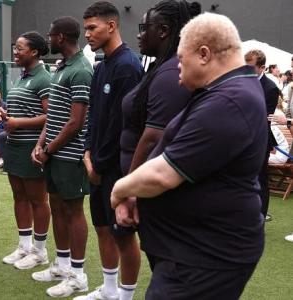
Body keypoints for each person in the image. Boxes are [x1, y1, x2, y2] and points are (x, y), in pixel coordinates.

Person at [111, 13, 266, 299]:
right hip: (192, 251)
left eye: (182, 59)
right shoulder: (225, 91)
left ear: (204, 54)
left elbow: (163, 174)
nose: (178, 70)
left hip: (204, 256)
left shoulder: (229, 100)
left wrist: (120, 189)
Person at [74, 2, 144, 300]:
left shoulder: (128, 66)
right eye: (86, 28)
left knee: (124, 235)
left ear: (112, 26)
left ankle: (125, 296)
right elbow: (94, 118)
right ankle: (109, 290)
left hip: (117, 168)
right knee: (103, 227)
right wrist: (88, 153)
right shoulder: (101, 66)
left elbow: (123, 128)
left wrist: (99, 165)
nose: (87, 34)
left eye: (92, 28)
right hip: (97, 165)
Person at [30, 16, 93, 298]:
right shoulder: (62, 67)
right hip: (54, 153)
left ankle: (78, 276)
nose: (48, 39)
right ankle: (62, 265)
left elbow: (76, 122)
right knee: (57, 208)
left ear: (63, 37)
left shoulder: (81, 70)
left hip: (69, 155)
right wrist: (41, 144)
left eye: (51, 34)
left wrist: (49, 149)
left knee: (73, 211)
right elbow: (54, 115)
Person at [0, 31, 51, 272]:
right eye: (15, 48)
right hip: (14, 146)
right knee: (19, 196)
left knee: (38, 200)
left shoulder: (44, 78)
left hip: (32, 148)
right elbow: (22, 110)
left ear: (34, 52)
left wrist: (17, 123)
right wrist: (4, 113)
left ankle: (40, 252)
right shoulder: (22, 77)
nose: (15, 52)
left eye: (19, 49)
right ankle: (24, 246)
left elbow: (51, 116)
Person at [245, 49, 279, 221]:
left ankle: (261, 215)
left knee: (260, 177)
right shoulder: (243, 82)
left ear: (262, 67)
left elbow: (262, 118)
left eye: (250, 67)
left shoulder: (271, 88)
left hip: (260, 139)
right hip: (242, 138)